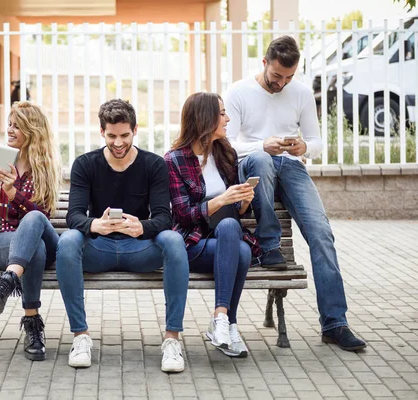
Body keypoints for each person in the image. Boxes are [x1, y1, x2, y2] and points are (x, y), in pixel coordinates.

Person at [224, 35, 366, 351]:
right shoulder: (238, 91)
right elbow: (227, 143)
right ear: (264, 63)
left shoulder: (300, 92)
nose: (282, 84)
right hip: (255, 161)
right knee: (261, 157)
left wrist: (303, 147)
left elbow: (316, 142)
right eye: (277, 77)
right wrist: (261, 145)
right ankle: (269, 246)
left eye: (289, 77)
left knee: (322, 235)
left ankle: (335, 324)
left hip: (291, 166)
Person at [55, 99, 190, 372]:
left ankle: (172, 340)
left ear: (135, 130)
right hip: (98, 250)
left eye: (125, 135)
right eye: (112, 136)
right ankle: (80, 336)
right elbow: (74, 216)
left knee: (174, 240)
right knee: (68, 239)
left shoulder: (153, 164)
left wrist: (143, 227)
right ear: (101, 131)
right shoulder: (85, 164)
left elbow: (165, 217)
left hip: (139, 250)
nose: (118, 143)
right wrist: (94, 226)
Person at [0, 102, 61, 361]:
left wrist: (13, 194)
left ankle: (7, 283)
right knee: (33, 250)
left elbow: (43, 217)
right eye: (9, 124)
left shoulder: (44, 169)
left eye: (17, 126)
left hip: (42, 241)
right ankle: (32, 325)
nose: (10, 130)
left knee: (35, 223)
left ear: (32, 130)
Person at [165, 92, 255, 358]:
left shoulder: (225, 153)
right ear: (206, 118)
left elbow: (234, 213)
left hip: (224, 237)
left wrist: (244, 201)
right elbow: (181, 215)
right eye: (222, 113)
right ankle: (228, 324)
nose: (227, 119)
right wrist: (219, 201)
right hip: (192, 244)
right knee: (240, 249)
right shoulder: (174, 160)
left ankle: (222, 321)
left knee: (235, 237)